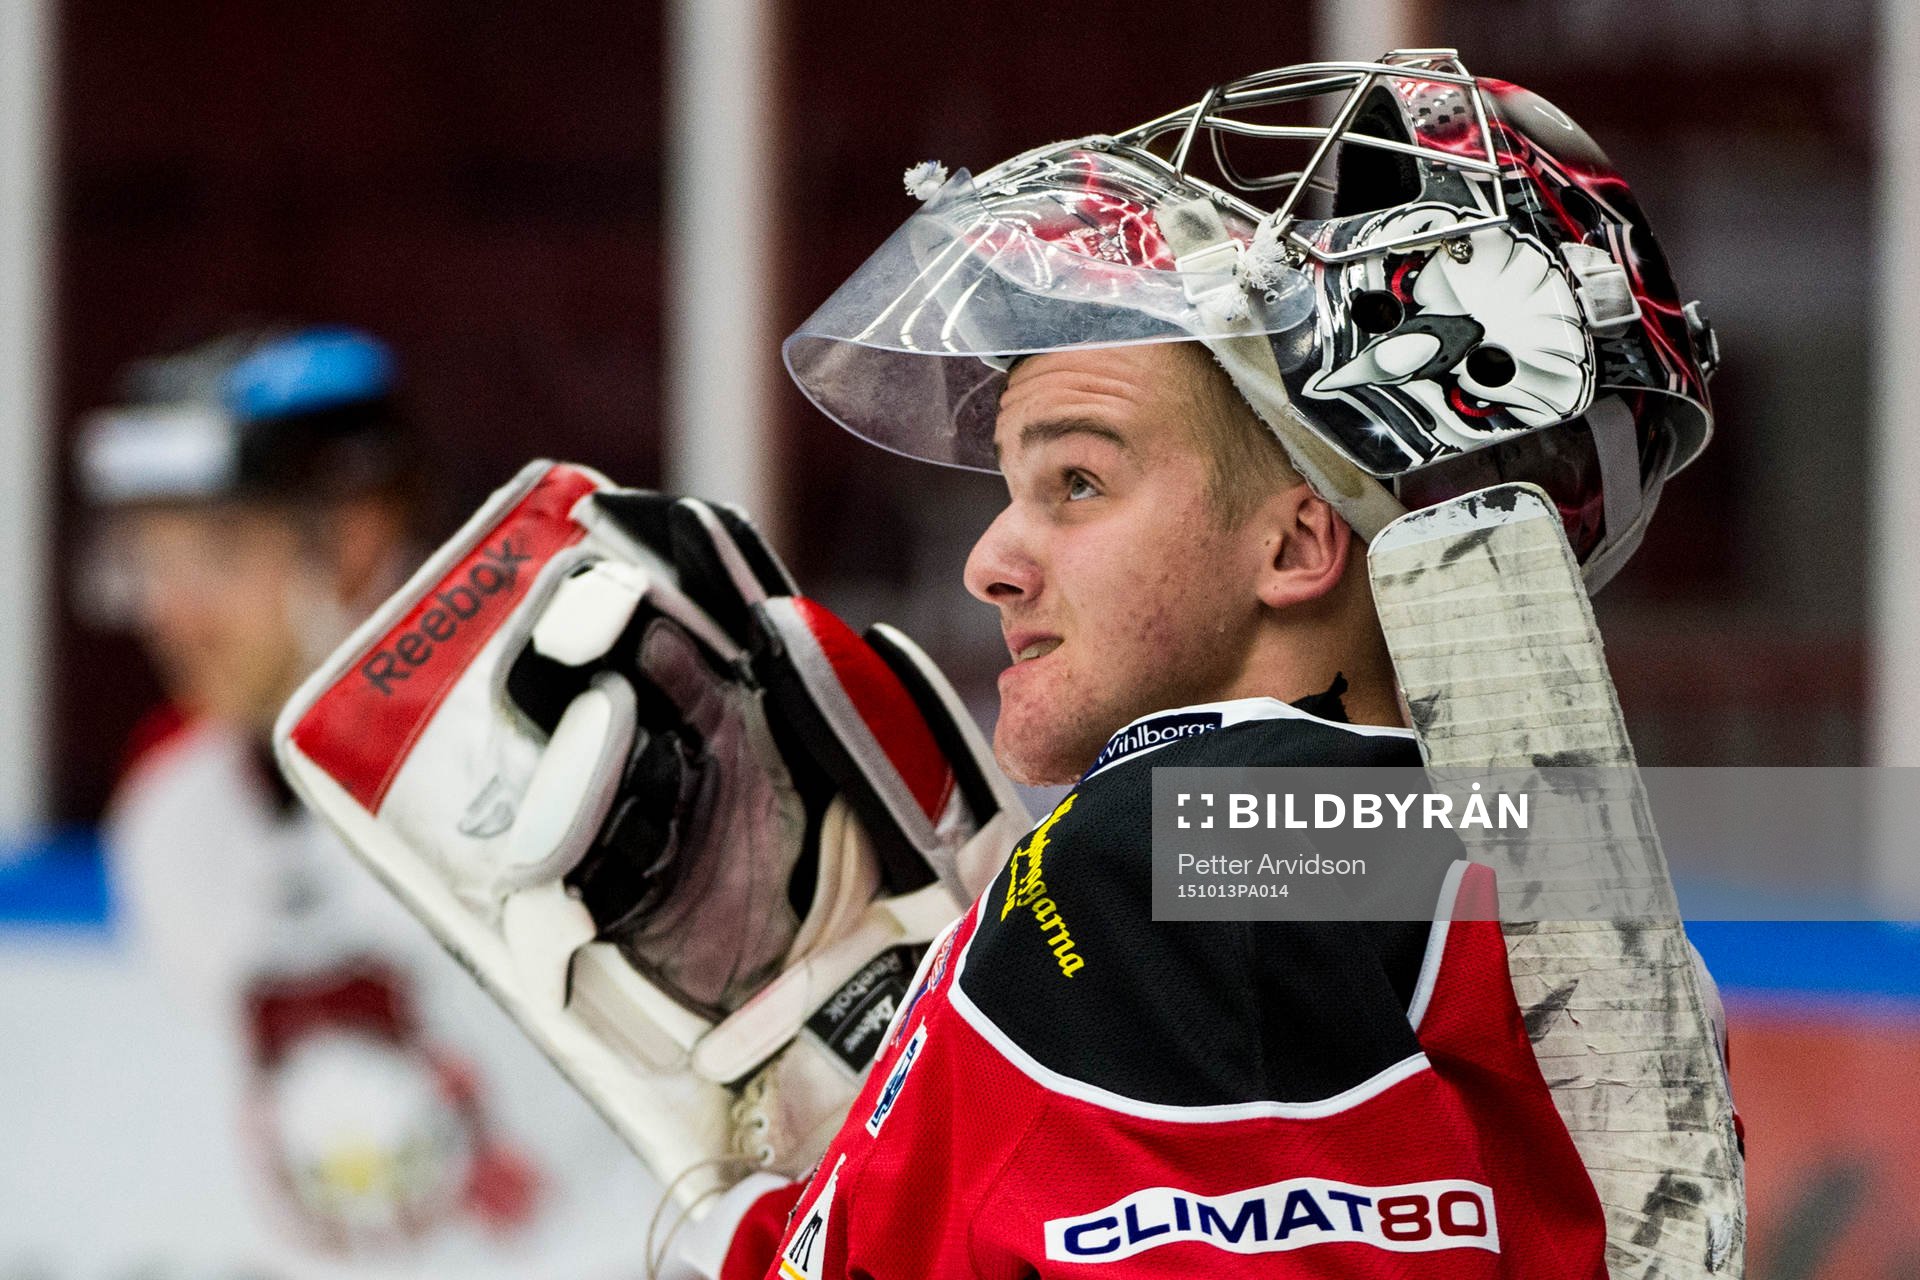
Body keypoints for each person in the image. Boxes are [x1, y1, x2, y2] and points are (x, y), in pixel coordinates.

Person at [273, 51, 1735, 1279]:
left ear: (1299, 543)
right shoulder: (1522, 882)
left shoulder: (1155, 856)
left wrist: (808, 1193)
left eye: (1078, 484)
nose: (993, 560)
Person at [79, 327, 657, 1276]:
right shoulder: (173, 812)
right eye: (150, 562)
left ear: (352, 537)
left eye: (217, 556)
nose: (165, 611)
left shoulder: (569, 742)